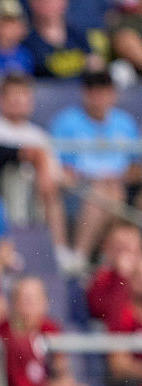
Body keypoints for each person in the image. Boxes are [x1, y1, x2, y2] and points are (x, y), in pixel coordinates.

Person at [0, 74, 69, 268]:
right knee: (18, 174)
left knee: (51, 186)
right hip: (1, 192)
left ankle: (59, 248)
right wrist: (39, 161)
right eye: (13, 95)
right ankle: (16, 240)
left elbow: (55, 174)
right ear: (0, 99)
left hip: (39, 193)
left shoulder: (39, 134)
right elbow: (4, 158)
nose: (19, 101)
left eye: (24, 96)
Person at [51, 69, 141, 262]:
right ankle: (82, 255)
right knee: (104, 192)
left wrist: (121, 177)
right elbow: (61, 168)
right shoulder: (66, 122)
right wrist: (92, 179)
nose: (98, 99)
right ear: (85, 94)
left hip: (119, 186)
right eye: (93, 92)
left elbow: (136, 166)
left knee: (112, 191)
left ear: (113, 95)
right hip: (78, 190)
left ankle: (99, 256)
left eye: (104, 92)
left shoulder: (125, 123)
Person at [23, 0, 102, 80]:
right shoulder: (27, 40)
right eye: (45, 2)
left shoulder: (77, 35)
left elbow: (95, 65)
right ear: (33, 3)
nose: (51, 5)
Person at [87, 221, 142, 326]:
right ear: (107, 250)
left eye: (129, 248)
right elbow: (114, 321)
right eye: (119, 249)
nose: (124, 255)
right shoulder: (102, 279)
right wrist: (122, 277)